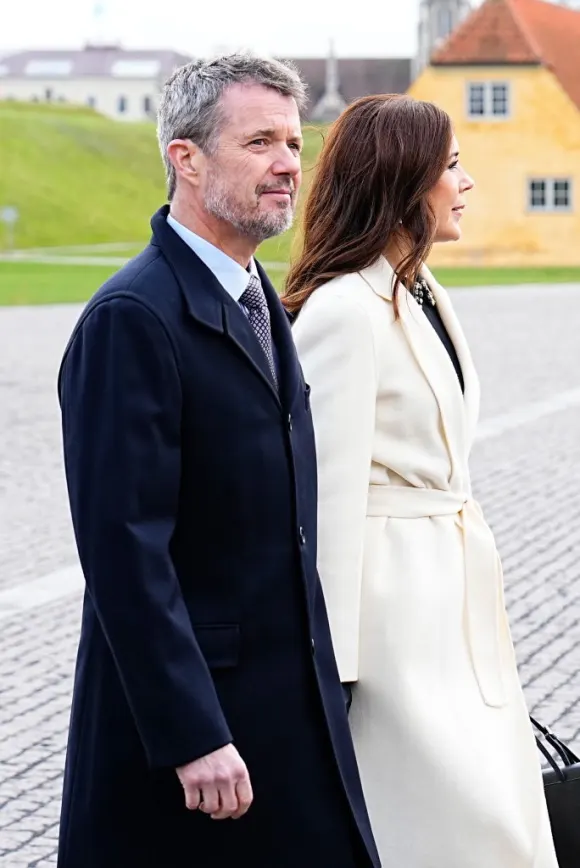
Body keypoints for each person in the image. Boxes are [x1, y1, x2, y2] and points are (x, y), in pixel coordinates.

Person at [56, 55, 380, 868]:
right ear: (186, 158)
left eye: (295, 144)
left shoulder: (260, 297)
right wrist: (191, 734)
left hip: (290, 703)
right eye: (260, 142)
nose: (287, 166)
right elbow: (125, 554)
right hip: (196, 739)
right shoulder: (132, 319)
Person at [285, 93, 558, 868]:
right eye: (452, 166)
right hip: (391, 618)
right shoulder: (344, 310)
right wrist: (331, 668)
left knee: (495, 816)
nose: (466, 183)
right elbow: (325, 500)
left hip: (454, 598)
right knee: (446, 826)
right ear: (404, 181)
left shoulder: (425, 292)